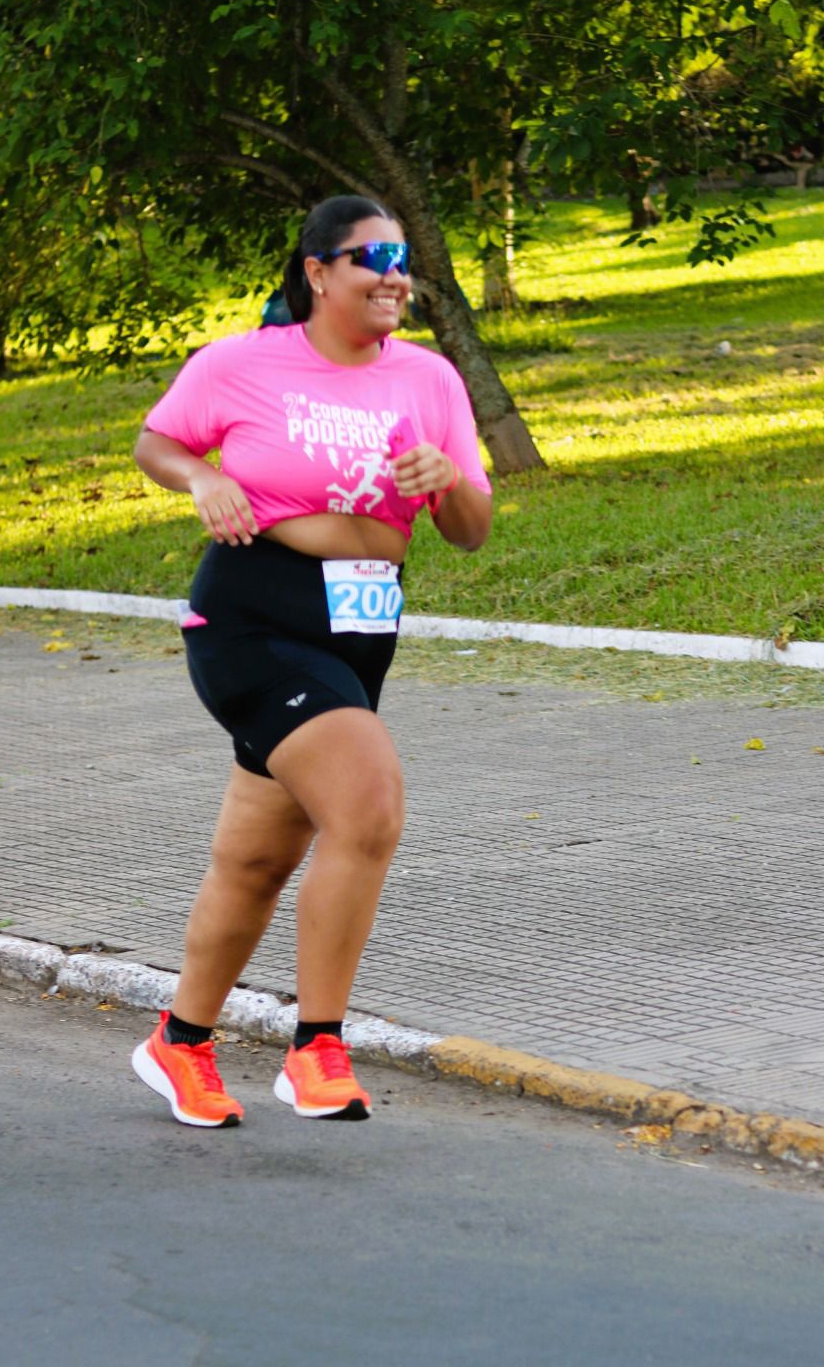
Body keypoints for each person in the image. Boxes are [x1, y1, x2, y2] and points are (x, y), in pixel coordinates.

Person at [130, 195, 492, 1127]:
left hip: (361, 631)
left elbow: (470, 532)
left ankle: (179, 1042)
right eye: (371, 256)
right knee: (367, 802)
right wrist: (206, 477)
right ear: (317, 272)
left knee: (254, 861)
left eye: (403, 256)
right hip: (252, 618)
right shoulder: (241, 365)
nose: (393, 274)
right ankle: (317, 1048)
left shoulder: (428, 379)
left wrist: (446, 482)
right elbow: (157, 441)